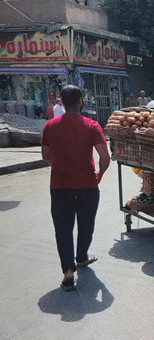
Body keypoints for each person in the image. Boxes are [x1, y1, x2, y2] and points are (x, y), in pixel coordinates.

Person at [40, 85, 110, 291]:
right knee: (86, 224)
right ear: (81, 101)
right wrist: (99, 175)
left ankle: (68, 271)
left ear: (61, 101)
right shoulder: (92, 125)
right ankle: (81, 257)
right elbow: (105, 157)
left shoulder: (50, 126)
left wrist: (61, 165)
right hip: (87, 184)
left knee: (63, 228)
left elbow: (46, 157)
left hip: (60, 185)